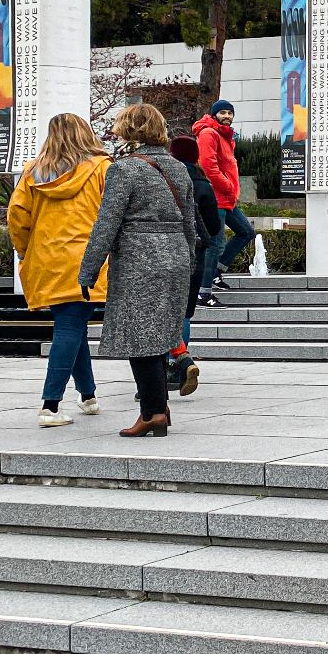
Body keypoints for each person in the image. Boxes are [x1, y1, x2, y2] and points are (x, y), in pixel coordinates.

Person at [79, 104, 199, 438]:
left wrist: (88, 269)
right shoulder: (178, 167)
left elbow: (107, 223)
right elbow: (190, 221)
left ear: (130, 130)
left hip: (139, 259)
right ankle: (159, 406)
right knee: (161, 333)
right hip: (175, 257)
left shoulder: (124, 169)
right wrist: (187, 261)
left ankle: (153, 413)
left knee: (140, 338)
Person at [7, 113, 110, 427]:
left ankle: (88, 395)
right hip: (87, 259)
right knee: (69, 327)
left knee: (71, 323)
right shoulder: (102, 168)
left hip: (47, 258)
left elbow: (17, 217)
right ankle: (50, 405)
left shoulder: (33, 172)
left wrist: (26, 251)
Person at [167, 134, 223, 395]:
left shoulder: (165, 178)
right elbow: (213, 225)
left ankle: (168, 364)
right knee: (185, 313)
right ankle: (181, 362)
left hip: (166, 251)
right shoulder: (202, 182)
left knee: (164, 311)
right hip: (195, 252)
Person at [193, 100, 252, 298]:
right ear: (214, 114)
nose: (227, 116)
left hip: (227, 199)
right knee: (215, 244)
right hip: (216, 198)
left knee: (246, 232)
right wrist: (227, 186)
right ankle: (204, 292)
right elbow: (208, 167)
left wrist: (232, 191)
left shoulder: (224, 135)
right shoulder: (208, 133)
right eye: (223, 113)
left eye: (230, 113)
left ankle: (217, 272)